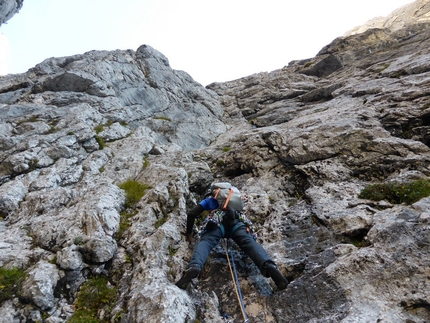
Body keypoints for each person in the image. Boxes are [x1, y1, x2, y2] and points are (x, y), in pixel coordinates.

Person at [176, 186, 289, 291]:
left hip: (217, 223)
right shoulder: (234, 198)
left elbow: (191, 214)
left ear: (214, 192)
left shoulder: (210, 200)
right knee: (249, 244)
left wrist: (189, 233)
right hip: (237, 223)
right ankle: (268, 265)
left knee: (207, 241)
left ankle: (194, 266)